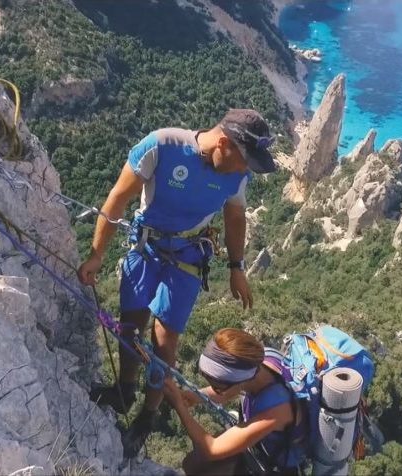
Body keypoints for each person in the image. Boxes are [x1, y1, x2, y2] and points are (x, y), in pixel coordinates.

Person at [77, 109, 278, 457]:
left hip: (188, 252)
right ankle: (124, 391)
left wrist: (237, 267)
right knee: (130, 325)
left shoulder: (237, 175)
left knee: (165, 339)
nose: (243, 170)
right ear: (223, 143)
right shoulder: (161, 146)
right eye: (243, 161)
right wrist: (97, 255)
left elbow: (235, 217)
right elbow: (118, 198)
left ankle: (148, 415)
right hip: (147, 245)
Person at [162, 328, 305, 475]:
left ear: (240, 381)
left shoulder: (278, 410)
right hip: (259, 445)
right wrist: (194, 396)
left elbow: (211, 449)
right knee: (192, 463)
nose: (216, 389)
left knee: (200, 468)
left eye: (218, 386)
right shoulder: (256, 363)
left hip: (274, 466)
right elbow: (227, 391)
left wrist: (179, 406)